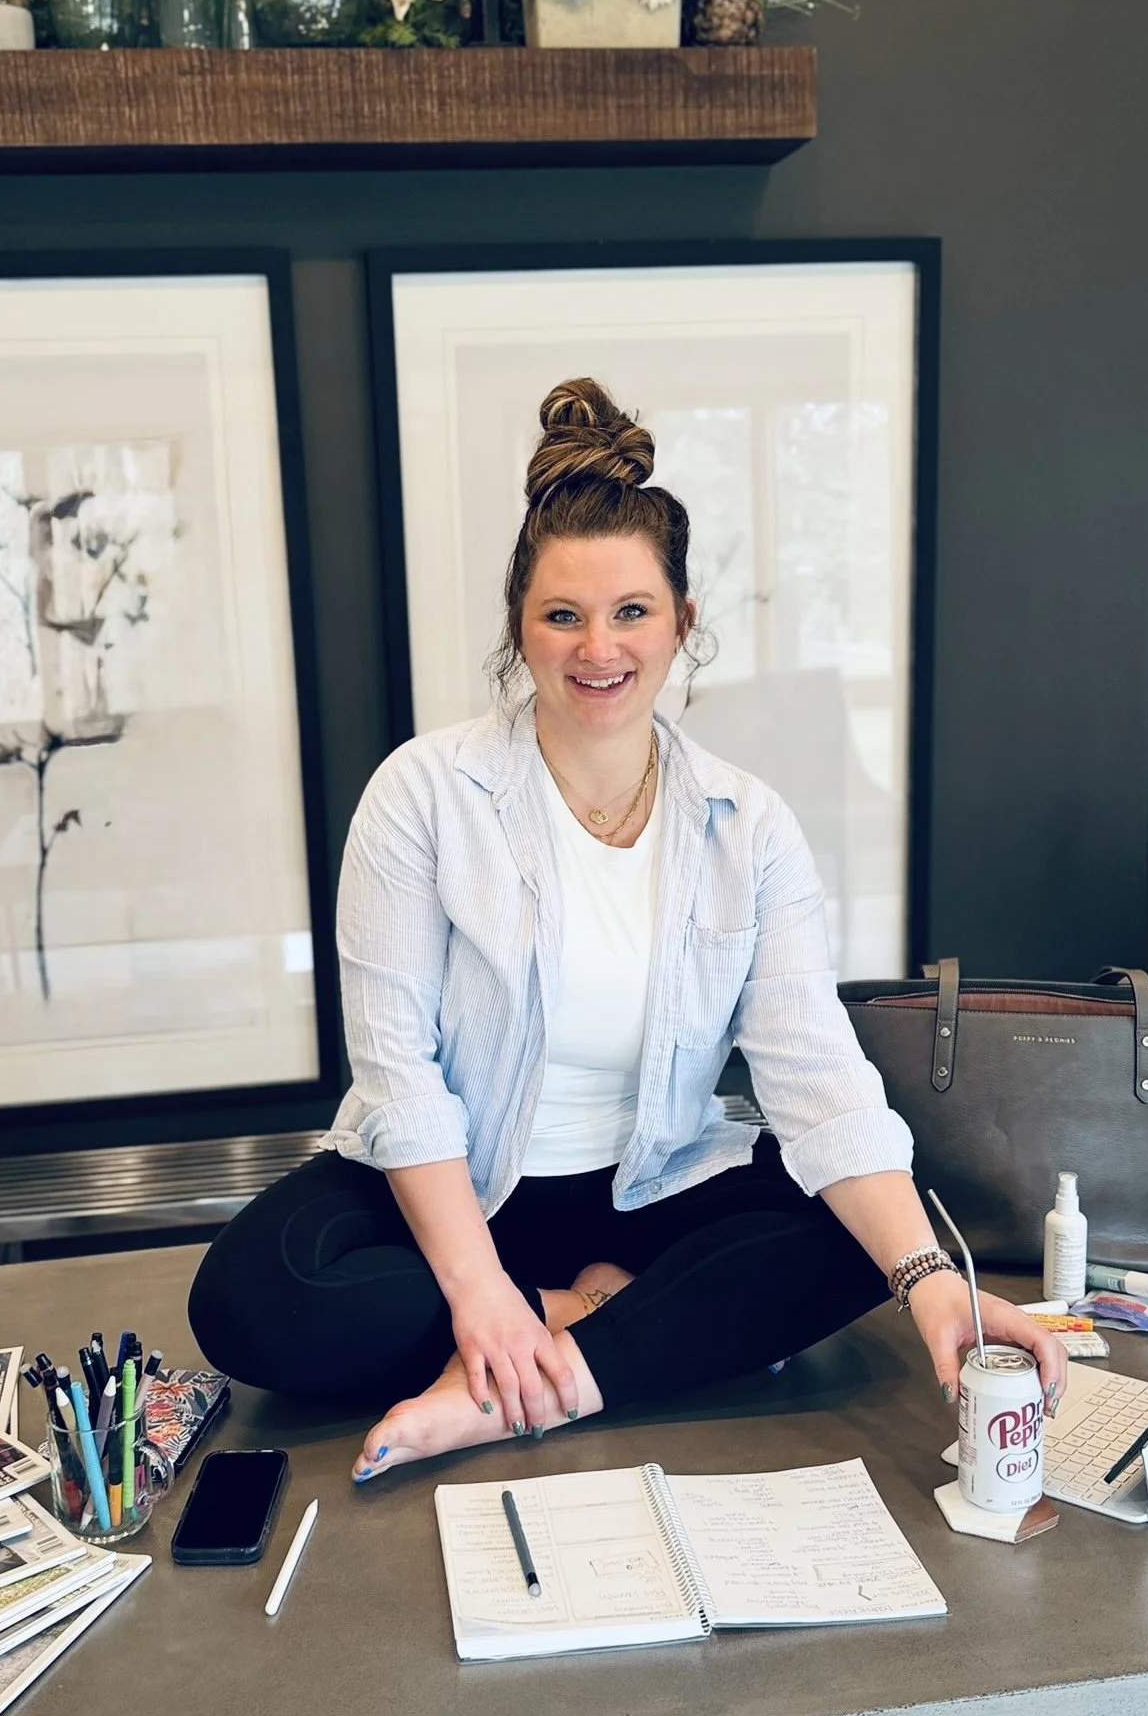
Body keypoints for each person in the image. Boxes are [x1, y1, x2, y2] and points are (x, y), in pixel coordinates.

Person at [188, 378, 1066, 1483]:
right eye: (563, 614)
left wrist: (937, 1281)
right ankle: (588, 1319)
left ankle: (520, 1397)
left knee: (862, 1242)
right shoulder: (423, 795)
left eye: (631, 611)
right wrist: (492, 1299)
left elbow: (818, 1080)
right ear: (522, 625)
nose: (597, 646)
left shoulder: (750, 828)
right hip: (455, 1187)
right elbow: (398, 1075)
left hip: (649, 1182)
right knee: (253, 1301)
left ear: (682, 623)